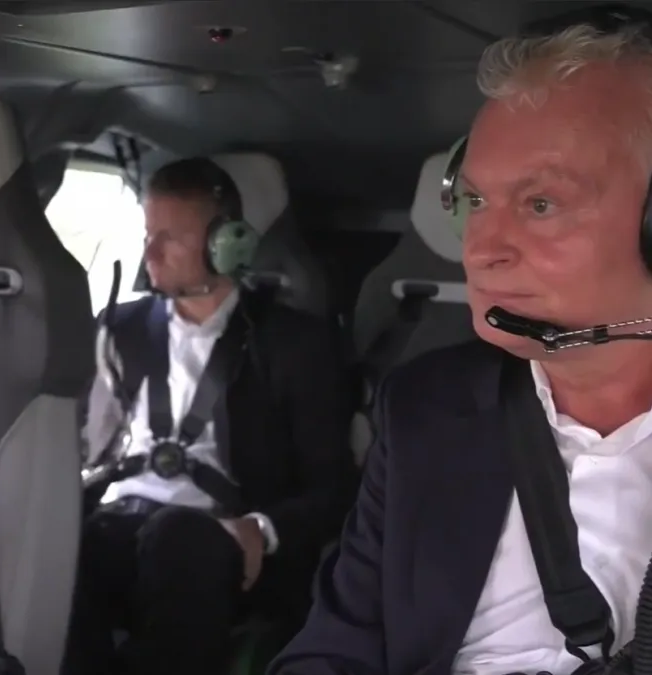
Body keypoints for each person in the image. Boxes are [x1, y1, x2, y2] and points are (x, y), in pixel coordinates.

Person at [269, 6, 652, 675]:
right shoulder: (423, 408)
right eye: (475, 203)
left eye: (540, 204)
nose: (480, 250)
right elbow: (332, 651)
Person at [66, 157, 358, 675]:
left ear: (228, 244)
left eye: (170, 238)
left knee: (175, 536)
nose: (150, 253)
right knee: (73, 546)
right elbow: (88, 445)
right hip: (122, 523)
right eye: (147, 234)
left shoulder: (293, 344)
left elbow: (333, 490)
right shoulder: (117, 329)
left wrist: (260, 528)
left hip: (224, 542)